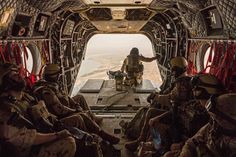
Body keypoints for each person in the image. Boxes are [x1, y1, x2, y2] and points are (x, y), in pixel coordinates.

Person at [0, 63, 76, 157]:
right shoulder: (5, 109)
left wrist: (60, 126)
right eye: (15, 75)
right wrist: (56, 135)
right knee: (68, 143)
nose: (20, 75)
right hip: (27, 150)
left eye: (18, 72)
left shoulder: (26, 97)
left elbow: (44, 115)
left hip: (40, 135)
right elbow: (26, 138)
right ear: (6, 82)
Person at [33, 64, 120, 144]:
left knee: (80, 97)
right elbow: (60, 110)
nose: (59, 76)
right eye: (57, 74)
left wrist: (75, 104)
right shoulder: (47, 92)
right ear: (54, 76)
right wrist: (74, 110)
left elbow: (65, 96)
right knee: (80, 116)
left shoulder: (52, 85)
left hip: (64, 107)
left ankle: (92, 118)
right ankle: (96, 136)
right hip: (59, 117)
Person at [125, 56, 193, 151]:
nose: (171, 72)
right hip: (176, 111)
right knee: (149, 109)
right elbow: (169, 95)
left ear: (176, 70)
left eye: (172, 69)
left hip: (177, 115)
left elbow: (169, 99)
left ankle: (140, 140)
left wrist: (155, 97)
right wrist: (157, 95)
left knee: (150, 112)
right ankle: (140, 137)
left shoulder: (181, 84)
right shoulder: (185, 80)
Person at [159, 74, 225, 157]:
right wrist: (184, 147)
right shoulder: (208, 116)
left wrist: (182, 145)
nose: (193, 92)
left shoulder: (214, 117)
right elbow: (196, 138)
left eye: (197, 89)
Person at [179, 93, 236, 157]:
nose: (213, 123)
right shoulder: (215, 126)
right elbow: (192, 142)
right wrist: (186, 151)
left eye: (218, 119)